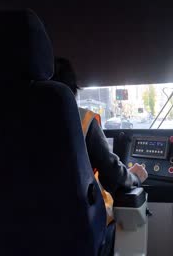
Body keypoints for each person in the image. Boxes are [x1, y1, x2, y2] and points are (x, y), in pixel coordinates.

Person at [52, 58, 148, 222]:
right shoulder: (81, 120)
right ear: (71, 90)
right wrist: (135, 177)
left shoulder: (6, 122)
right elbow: (112, 177)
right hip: (75, 224)